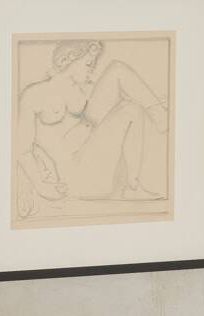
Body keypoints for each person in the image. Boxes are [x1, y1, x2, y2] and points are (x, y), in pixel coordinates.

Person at [16, 39, 170, 215]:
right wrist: (42, 186)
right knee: (130, 109)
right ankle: (163, 120)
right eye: (88, 64)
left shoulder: (78, 91)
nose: (92, 69)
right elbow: (22, 150)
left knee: (118, 72)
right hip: (77, 179)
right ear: (69, 60)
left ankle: (134, 182)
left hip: (94, 160)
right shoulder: (33, 95)